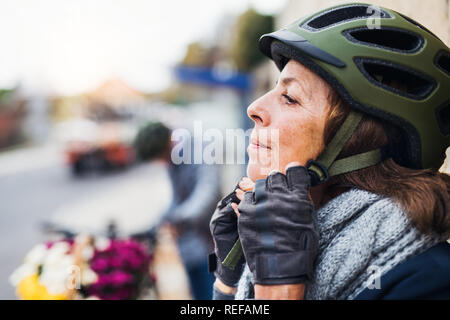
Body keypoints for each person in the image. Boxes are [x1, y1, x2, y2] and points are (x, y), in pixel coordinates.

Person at [209, 3, 450, 300]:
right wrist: (228, 281)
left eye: (290, 98)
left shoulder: (428, 282)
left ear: (357, 141)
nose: (254, 108)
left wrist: (279, 290)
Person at [134, 121, 220, 299]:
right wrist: (159, 221)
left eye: (161, 156)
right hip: (189, 241)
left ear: (168, 144)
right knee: (197, 291)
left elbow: (208, 192)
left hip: (211, 238)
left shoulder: (199, 148)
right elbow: (176, 197)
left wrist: (177, 217)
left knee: (213, 290)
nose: (163, 162)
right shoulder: (172, 158)